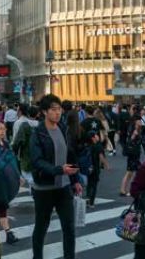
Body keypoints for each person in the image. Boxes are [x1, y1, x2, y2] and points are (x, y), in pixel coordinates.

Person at [30, 94, 83, 259]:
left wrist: (75, 180)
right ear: (45, 111)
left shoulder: (63, 128)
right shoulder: (38, 133)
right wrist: (58, 170)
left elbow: (70, 156)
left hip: (64, 186)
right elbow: (37, 161)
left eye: (59, 109)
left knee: (69, 227)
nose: (57, 112)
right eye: (53, 109)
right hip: (44, 188)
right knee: (41, 227)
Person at [12, 105, 39, 188]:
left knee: (27, 175)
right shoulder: (41, 125)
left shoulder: (24, 125)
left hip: (25, 155)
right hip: (39, 156)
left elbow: (17, 142)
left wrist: (15, 151)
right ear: (37, 114)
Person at [85, 130, 109, 208]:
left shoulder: (88, 146)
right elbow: (101, 157)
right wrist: (106, 165)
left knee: (89, 184)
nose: (98, 136)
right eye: (96, 135)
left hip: (88, 167)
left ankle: (87, 199)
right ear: (93, 138)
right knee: (94, 185)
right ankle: (91, 203)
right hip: (95, 167)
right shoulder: (98, 146)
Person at [120, 118, 142, 196]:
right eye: (139, 121)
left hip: (135, 155)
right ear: (136, 122)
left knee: (132, 173)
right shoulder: (134, 131)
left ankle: (126, 190)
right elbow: (130, 141)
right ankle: (123, 190)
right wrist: (133, 136)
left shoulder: (138, 130)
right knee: (129, 173)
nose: (140, 122)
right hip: (133, 155)